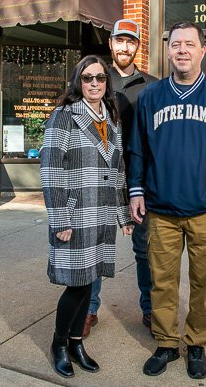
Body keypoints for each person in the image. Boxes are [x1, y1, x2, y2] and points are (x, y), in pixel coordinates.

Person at [127, 21, 206, 380]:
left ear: (202, 51)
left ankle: (196, 343)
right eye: (175, 44)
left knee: (203, 280)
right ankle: (166, 344)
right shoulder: (151, 96)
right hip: (161, 210)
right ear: (167, 51)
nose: (182, 50)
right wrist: (136, 190)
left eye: (189, 44)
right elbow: (137, 150)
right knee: (161, 282)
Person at [40, 55, 133, 378]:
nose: (94, 83)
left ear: (107, 83)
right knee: (77, 286)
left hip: (102, 212)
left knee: (91, 279)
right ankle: (59, 344)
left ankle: (77, 342)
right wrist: (60, 220)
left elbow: (118, 168)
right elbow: (51, 170)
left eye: (100, 78)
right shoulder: (64, 116)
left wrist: (123, 216)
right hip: (76, 213)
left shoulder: (111, 118)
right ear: (78, 82)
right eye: (87, 78)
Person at [83, 19, 158, 338]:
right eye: (120, 41)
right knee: (95, 247)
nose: (125, 47)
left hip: (139, 180)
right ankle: (88, 310)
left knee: (145, 250)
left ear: (137, 46)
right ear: (110, 43)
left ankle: (150, 310)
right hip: (100, 178)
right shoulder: (96, 80)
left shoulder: (154, 85)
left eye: (131, 42)